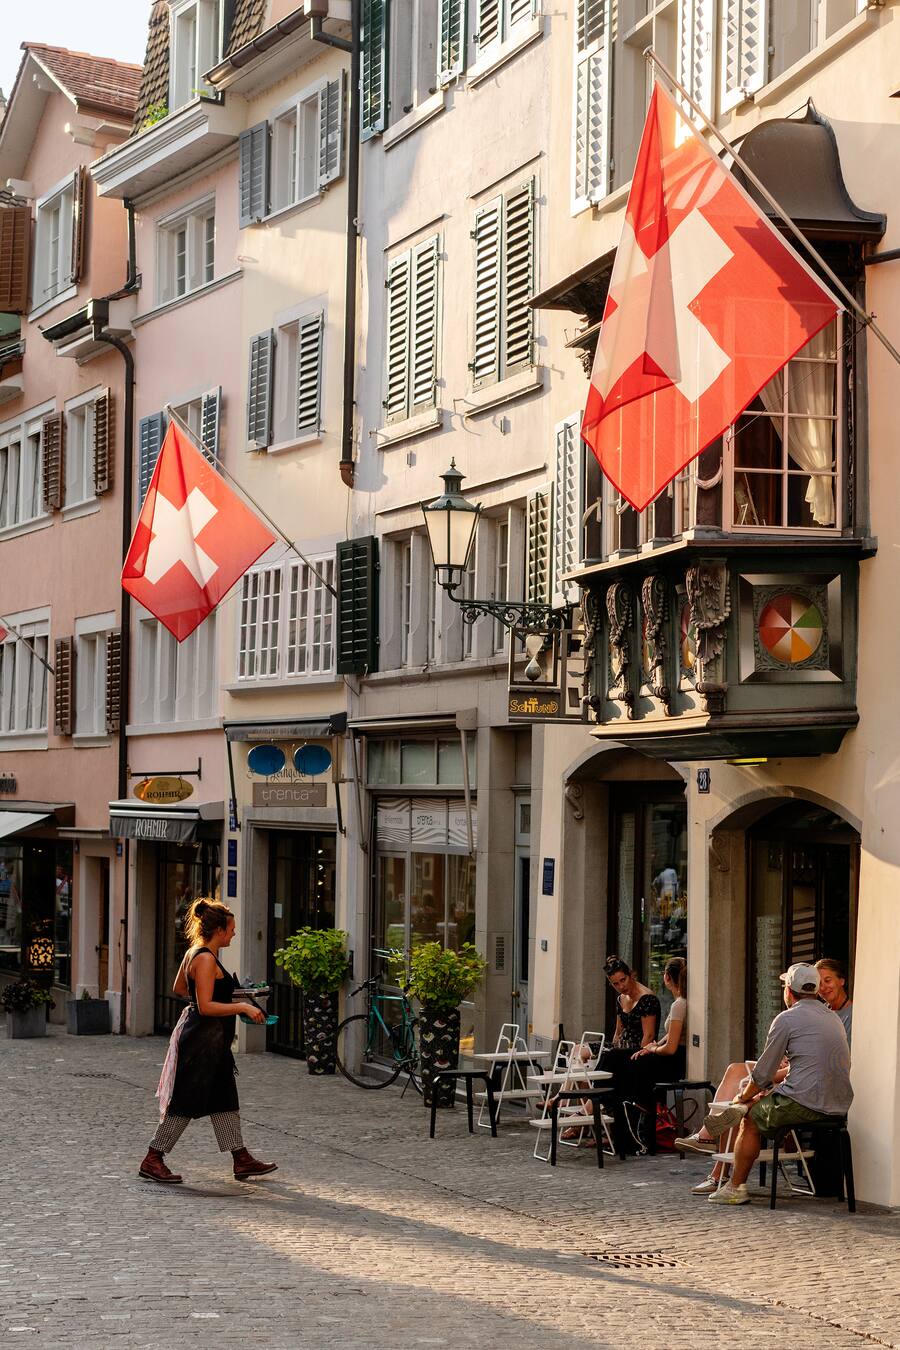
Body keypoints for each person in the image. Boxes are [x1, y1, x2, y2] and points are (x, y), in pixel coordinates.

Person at [138, 897, 278, 1185]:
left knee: (224, 1098)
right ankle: (153, 1157)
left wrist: (235, 997)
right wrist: (241, 1007)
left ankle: (241, 1158)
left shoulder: (196, 953)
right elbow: (205, 1006)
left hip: (212, 1041)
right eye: (232, 929)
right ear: (219, 931)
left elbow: (180, 988)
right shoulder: (204, 958)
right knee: (186, 1101)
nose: (234, 933)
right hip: (202, 1042)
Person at [704, 963, 852, 1206]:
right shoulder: (832, 1018)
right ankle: (745, 1105)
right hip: (838, 1103)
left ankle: (735, 1187)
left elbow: (763, 1073)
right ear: (814, 990)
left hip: (807, 1104)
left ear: (789, 992)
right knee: (762, 1101)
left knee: (750, 1119)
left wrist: (744, 1096)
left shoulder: (787, 1018)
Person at [816, 957, 853, 1047]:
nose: (823, 988)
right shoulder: (818, 1012)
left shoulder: (854, 1014)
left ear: (841, 981)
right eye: (819, 983)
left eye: (827, 981)